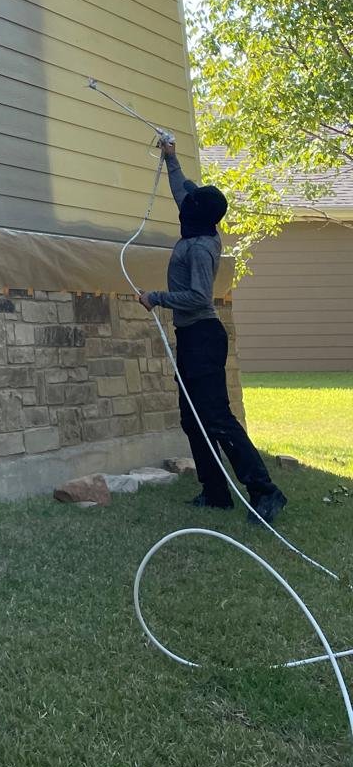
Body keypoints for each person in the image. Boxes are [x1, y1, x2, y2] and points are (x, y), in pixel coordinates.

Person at [138, 141, 286, 525]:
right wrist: (171, 157)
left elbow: (199, 297)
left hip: (203, 336)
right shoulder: (199, 221)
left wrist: (156, 297)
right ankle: (216, 493)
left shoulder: (202, 248)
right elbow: (181, 189)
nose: (182, 204)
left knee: (217, 417)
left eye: (189, 204)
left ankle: (266, 491)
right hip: (191, 339)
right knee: (192, 419)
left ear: (197, 216)